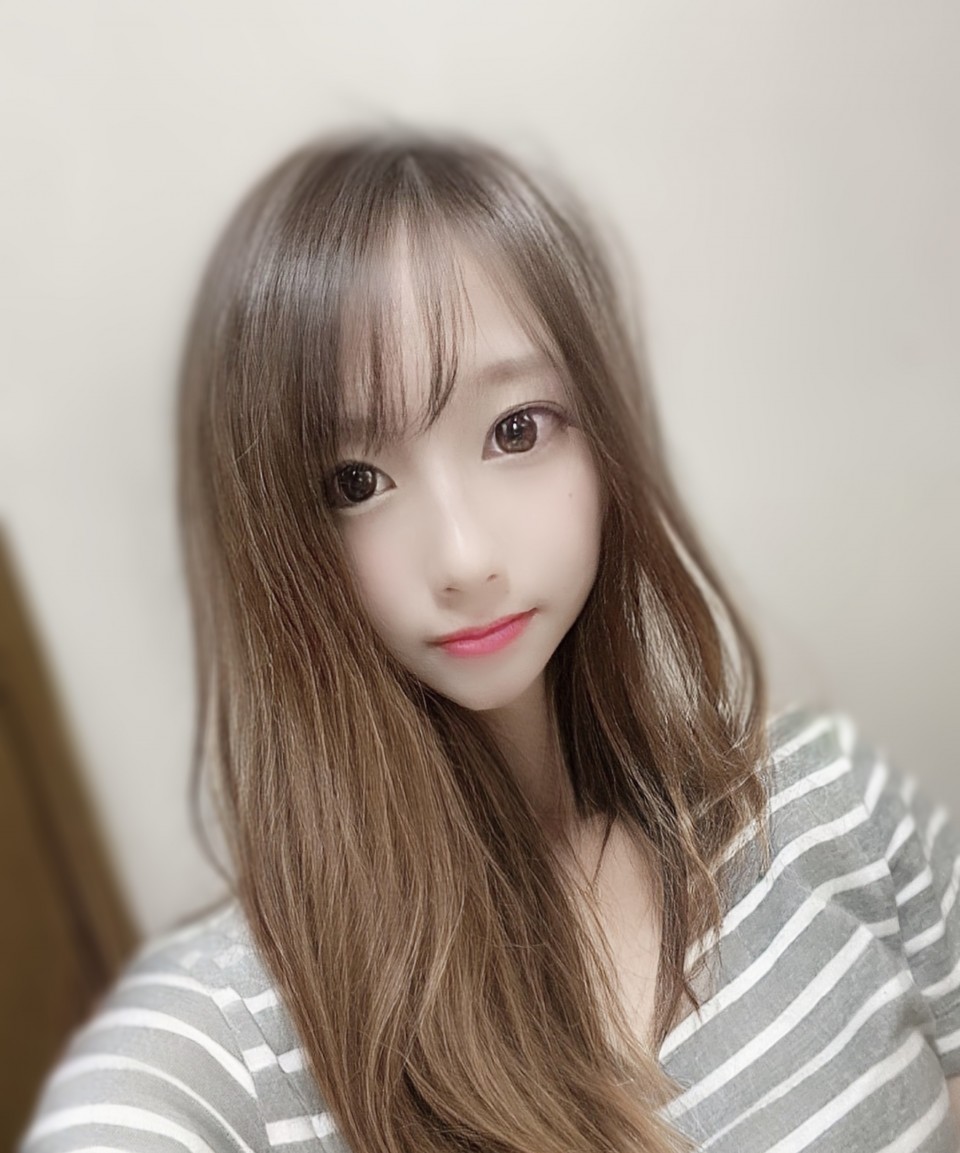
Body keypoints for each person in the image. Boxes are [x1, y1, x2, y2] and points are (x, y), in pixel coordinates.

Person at [21, 132, 960, 1153]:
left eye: (517, 428)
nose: (464, 557)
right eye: (355, 482)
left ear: (605, 438)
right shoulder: (235, 1045)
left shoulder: (834, 809)